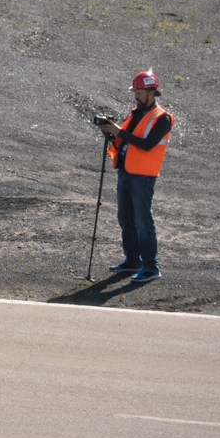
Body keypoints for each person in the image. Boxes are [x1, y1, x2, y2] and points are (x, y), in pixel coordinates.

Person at [94, 69, 174, 284]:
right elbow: (126, 141)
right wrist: (110, 132)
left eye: (139, 91)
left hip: (143, 176)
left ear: (152, 92)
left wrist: (118, 131)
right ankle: (133, 260)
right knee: (125, 218)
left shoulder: (162, 118)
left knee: (143, 221)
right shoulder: (135, 112)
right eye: (135, 91)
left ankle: (150, 268)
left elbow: (147, 145)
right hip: (126, 172)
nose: (136, 95)